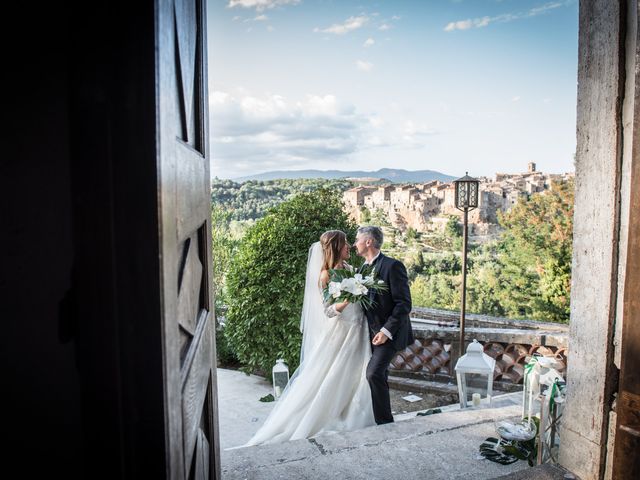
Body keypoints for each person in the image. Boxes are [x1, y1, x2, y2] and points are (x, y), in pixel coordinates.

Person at [244, 230, 375, 446]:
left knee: (359, 375)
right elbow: (328, 310)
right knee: (332, 376)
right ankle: (319, 417)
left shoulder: (351, 269)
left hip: (360, 329)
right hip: (343, 331)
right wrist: (350, 298)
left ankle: (355, 416)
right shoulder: (325, 275)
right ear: (335, 247)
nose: (349, 246)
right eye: (345, 244)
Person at [354, 226, 413, 425]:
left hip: (390, 333)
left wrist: (386, 331)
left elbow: (404, 304)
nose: (355, 244)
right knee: (380, 375)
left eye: (357, 240)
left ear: (368, 242)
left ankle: (385, 423)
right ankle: (378, 417)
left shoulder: (393, 266)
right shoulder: (361, 270)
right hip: (367, 333)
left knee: (373, 373)